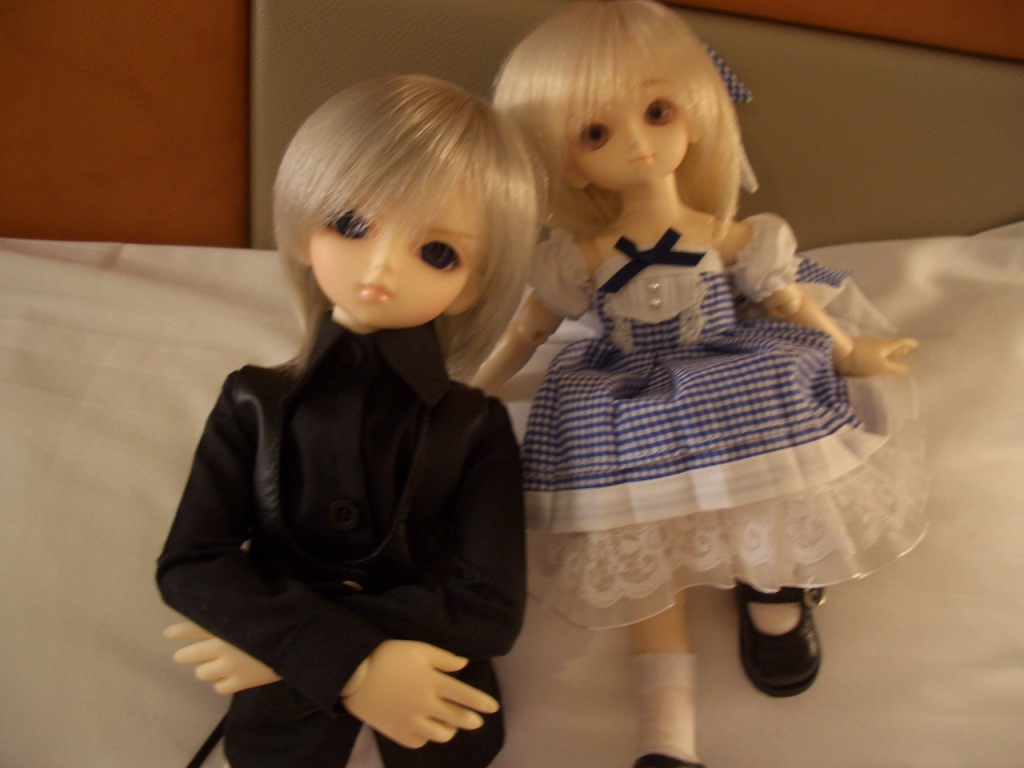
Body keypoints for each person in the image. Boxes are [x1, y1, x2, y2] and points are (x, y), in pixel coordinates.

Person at [473, 3, 929, 766]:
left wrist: (849, 351)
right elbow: (528, 331)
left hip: (727, 369)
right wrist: (473, 389)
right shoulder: (578, 258)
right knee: (641, 559)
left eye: (657, 113)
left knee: (768, 487)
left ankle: (775, 593)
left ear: (694, 114)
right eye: (596, 133)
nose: (638, 143)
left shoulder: (727, 235)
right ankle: (667, 736)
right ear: (570, 164)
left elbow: (785, 301)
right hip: (628, 396)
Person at [157, 74, 543, 768]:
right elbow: (192, 563)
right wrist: (339, 660)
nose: (382, 264)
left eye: (437, 252)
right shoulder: (253, 400)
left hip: (438, 716)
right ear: (305, 226)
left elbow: (490, 606)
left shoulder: (473, 425)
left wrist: (293, 647)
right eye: (353, 225)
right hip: (282, 726)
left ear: (474, 285)